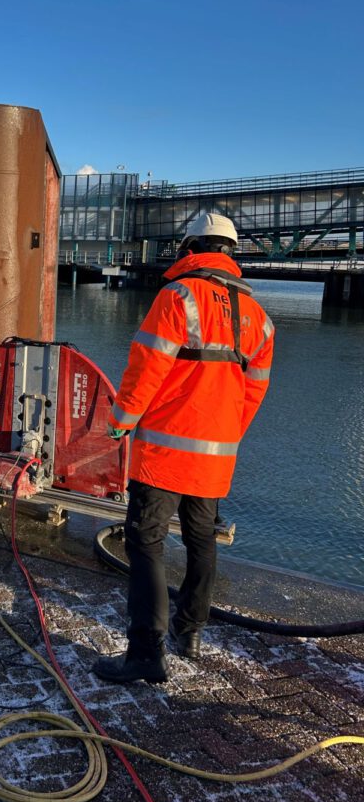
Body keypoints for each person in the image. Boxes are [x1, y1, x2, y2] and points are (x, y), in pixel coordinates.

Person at [92, 213, 274, 683]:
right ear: (232, 254)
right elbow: (254, 390)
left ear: (191, 248)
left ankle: (145, 654)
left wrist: (120, 421)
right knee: (202, 541)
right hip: (216, 454)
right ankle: (189, 632)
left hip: (164, 452)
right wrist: (227, 435)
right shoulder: (259, 317)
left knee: (146, 543)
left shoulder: (179, 296)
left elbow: (147, 365)